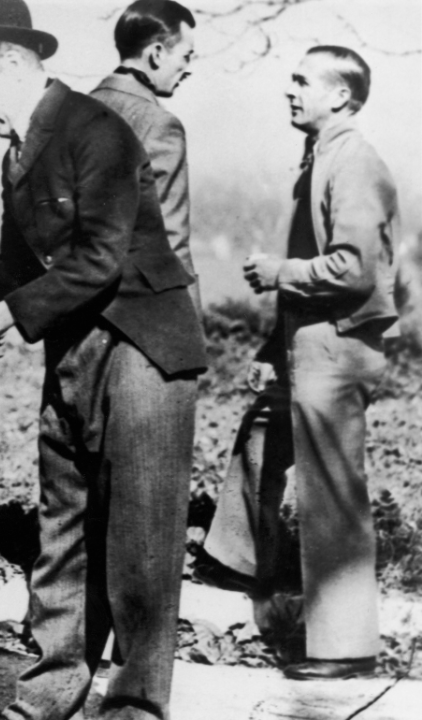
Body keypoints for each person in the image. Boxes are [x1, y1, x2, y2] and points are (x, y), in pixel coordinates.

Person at [0, 1, 207, 718]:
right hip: (72, 345)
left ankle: (135, 708)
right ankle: (46, 700)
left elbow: (100, 260)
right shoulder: (18, 153)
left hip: (142, 347)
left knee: (140, 548)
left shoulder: (94, 129)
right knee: (62, 533)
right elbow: (17, 265)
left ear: (10, 62)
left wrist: (7, 316)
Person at [195, 46, 399, 681]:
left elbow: (355, 267)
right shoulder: (322, 158)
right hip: (308, 346)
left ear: (341, 96)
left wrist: (278, 273)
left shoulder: (355, 163)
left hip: (336, 351)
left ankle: (344, 648)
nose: (290, 90)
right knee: (260, 431)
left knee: (332, 496)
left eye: (303, 81)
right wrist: (268, 349)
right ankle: (234, 560)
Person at [90, 0, 201, 313]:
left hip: (69, 324)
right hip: (139, 325)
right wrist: (188, 337)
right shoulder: (159, 124)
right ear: (156, 54)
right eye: (186, 56)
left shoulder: (71, 113)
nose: (187, 68)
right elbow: (170, 243)